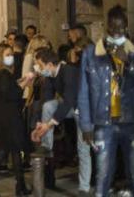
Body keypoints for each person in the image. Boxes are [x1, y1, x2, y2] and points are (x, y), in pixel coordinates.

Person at [78, 5, 134, 197]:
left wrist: (129, 64)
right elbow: (84, 90)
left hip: (132, 122)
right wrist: (86, 125)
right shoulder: (91, 54)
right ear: (107, 27)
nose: (117, 32)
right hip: (104, 122)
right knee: (102, 175)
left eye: (121, 29)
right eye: (113, 28)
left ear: (126, 28)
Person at [30, 48, 91, 196]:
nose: (38, 69)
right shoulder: (51, 75)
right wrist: (40, 124)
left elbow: (68, 100)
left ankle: (84, 187)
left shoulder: (68, 72)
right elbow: (47, 99)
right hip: (71, 107)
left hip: (85, 110)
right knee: (48, 106)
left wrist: (49, 124)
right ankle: (46, 145)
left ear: (50, 64)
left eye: (40, 65)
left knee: (83, 148)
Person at [0, 43, 33, 197]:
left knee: (10, 151)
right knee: (8, 151)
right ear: (0, 57)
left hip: (1, 118)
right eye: (7, 55)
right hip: (8, 119)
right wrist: (26, 82)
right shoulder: (3, 74)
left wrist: (21, 81)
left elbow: (8, 90)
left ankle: (19, 185)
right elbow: (11, 95)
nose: (11, 57)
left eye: (11, 54)